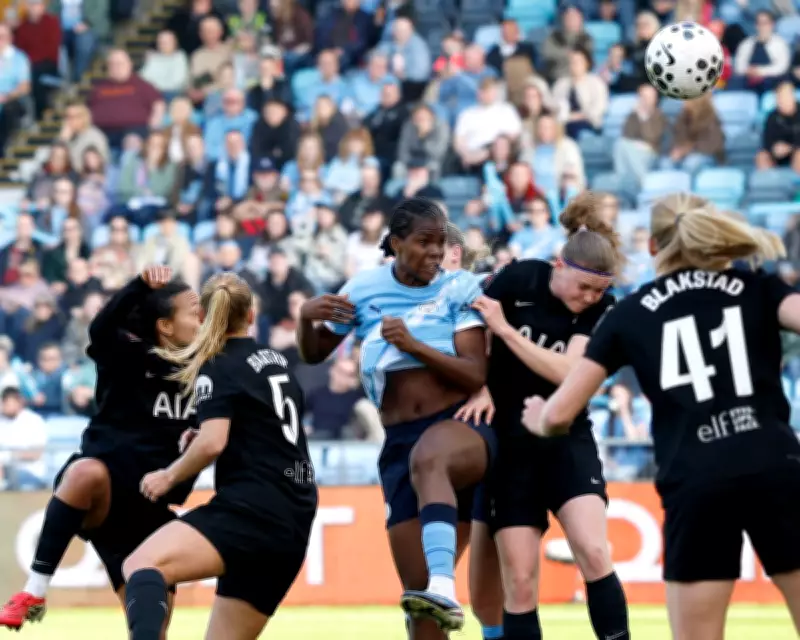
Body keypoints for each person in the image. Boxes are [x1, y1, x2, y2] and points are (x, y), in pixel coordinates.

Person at [522, 193, 800, 640]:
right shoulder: (756, 286)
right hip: (775, 464)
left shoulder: (630, 313)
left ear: (652, 247)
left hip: (697, 479)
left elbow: (560, 414)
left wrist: (537, 415)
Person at [297, 197, 496, 636]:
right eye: (424, 242)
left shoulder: (459, 288)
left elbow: (474, 372)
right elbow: (314, 354)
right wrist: (303, 319)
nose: (434, 253)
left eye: (440, 244)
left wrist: (414, 346)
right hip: (399, 441)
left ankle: (446, 584)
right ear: (394, 242)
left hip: (460, 426)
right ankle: (436, 592)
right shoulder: (363, 288)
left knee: (431, 459)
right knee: (419, 604)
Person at [456, 192, 631, 640]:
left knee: (594, 551)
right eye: (585, 287)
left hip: (564, 437)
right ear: (559, 264)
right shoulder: (518, 278)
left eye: (600, 290)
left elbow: (571, 372)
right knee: (520, 583)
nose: (591, 297)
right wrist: (479, 384)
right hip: (508, 447)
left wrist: (507, 332)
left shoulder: (603, 310)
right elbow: (471, 333)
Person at [0, 266, 201, 636]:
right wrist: (138, 286)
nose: (203, 320)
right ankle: (34, 590)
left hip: (148, 512)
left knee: (152, 630)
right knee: (84, 471)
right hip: (105, 493)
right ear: (166, 326)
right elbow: (100, 330)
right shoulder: (129, 356)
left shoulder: (206, 373)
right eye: (195, 313)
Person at [122, 272, 318, 640]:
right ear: (251, 314)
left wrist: (169, 475)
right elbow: (269, 429)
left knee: (141, 564)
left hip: (253, 509)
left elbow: (213, 442)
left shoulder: (217, 365)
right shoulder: (276, 360)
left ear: (203, 318)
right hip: (295, 514)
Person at [443, 221, 505, 640]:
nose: (439, 256)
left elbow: (498, 347)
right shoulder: (407, 300)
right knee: (432, 578)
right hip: (439, 441)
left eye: (445, 248)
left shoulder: (480, 291)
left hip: (482, 437)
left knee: (487, 586)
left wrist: (487, 388)